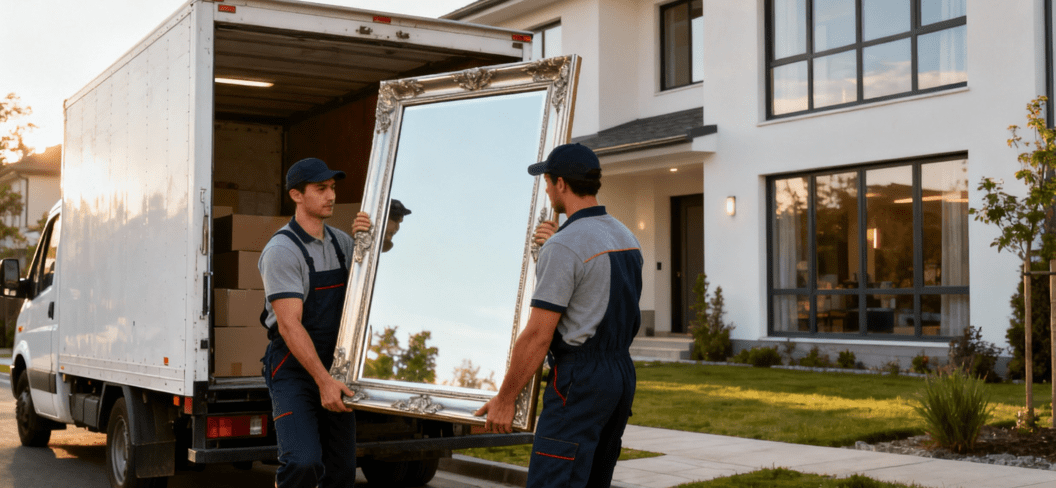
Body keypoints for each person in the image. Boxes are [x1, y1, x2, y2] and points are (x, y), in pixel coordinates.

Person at [475, 143, 644, 487]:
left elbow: (538, 336)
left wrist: (505, 399)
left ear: (562, 184)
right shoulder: (625, 236)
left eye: (548, 181)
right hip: (620, 377)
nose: (547, 189)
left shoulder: (565, 245)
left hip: (580, 380)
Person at [258, 157, 357, 488]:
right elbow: (289, 326)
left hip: (335, 368)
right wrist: (323, 381)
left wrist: (374, 237)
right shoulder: (282, 250)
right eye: (320, 189)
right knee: (303, 463)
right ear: (296, 195)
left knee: (340, 472)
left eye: (332, 188)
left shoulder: (343, 244)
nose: (330, 196)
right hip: (294, 370)